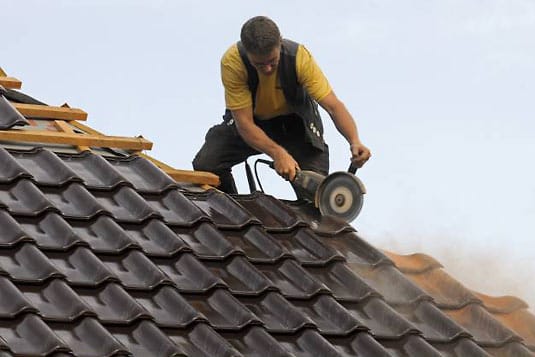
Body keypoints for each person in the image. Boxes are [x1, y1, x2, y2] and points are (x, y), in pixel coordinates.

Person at [193, 15, 371, 195]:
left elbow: (334, 106)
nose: (267, 69)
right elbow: (244, 124)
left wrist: (354, 140)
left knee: (316, 197)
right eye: (259, 64)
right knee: (207, 164)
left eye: (272, 62)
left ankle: (308, 219)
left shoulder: (300, 58)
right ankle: (230, 213)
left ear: (280, 43)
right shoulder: (233, 62)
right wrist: (278, 154)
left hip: (296, 127)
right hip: (253, 125)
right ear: (247, 52)